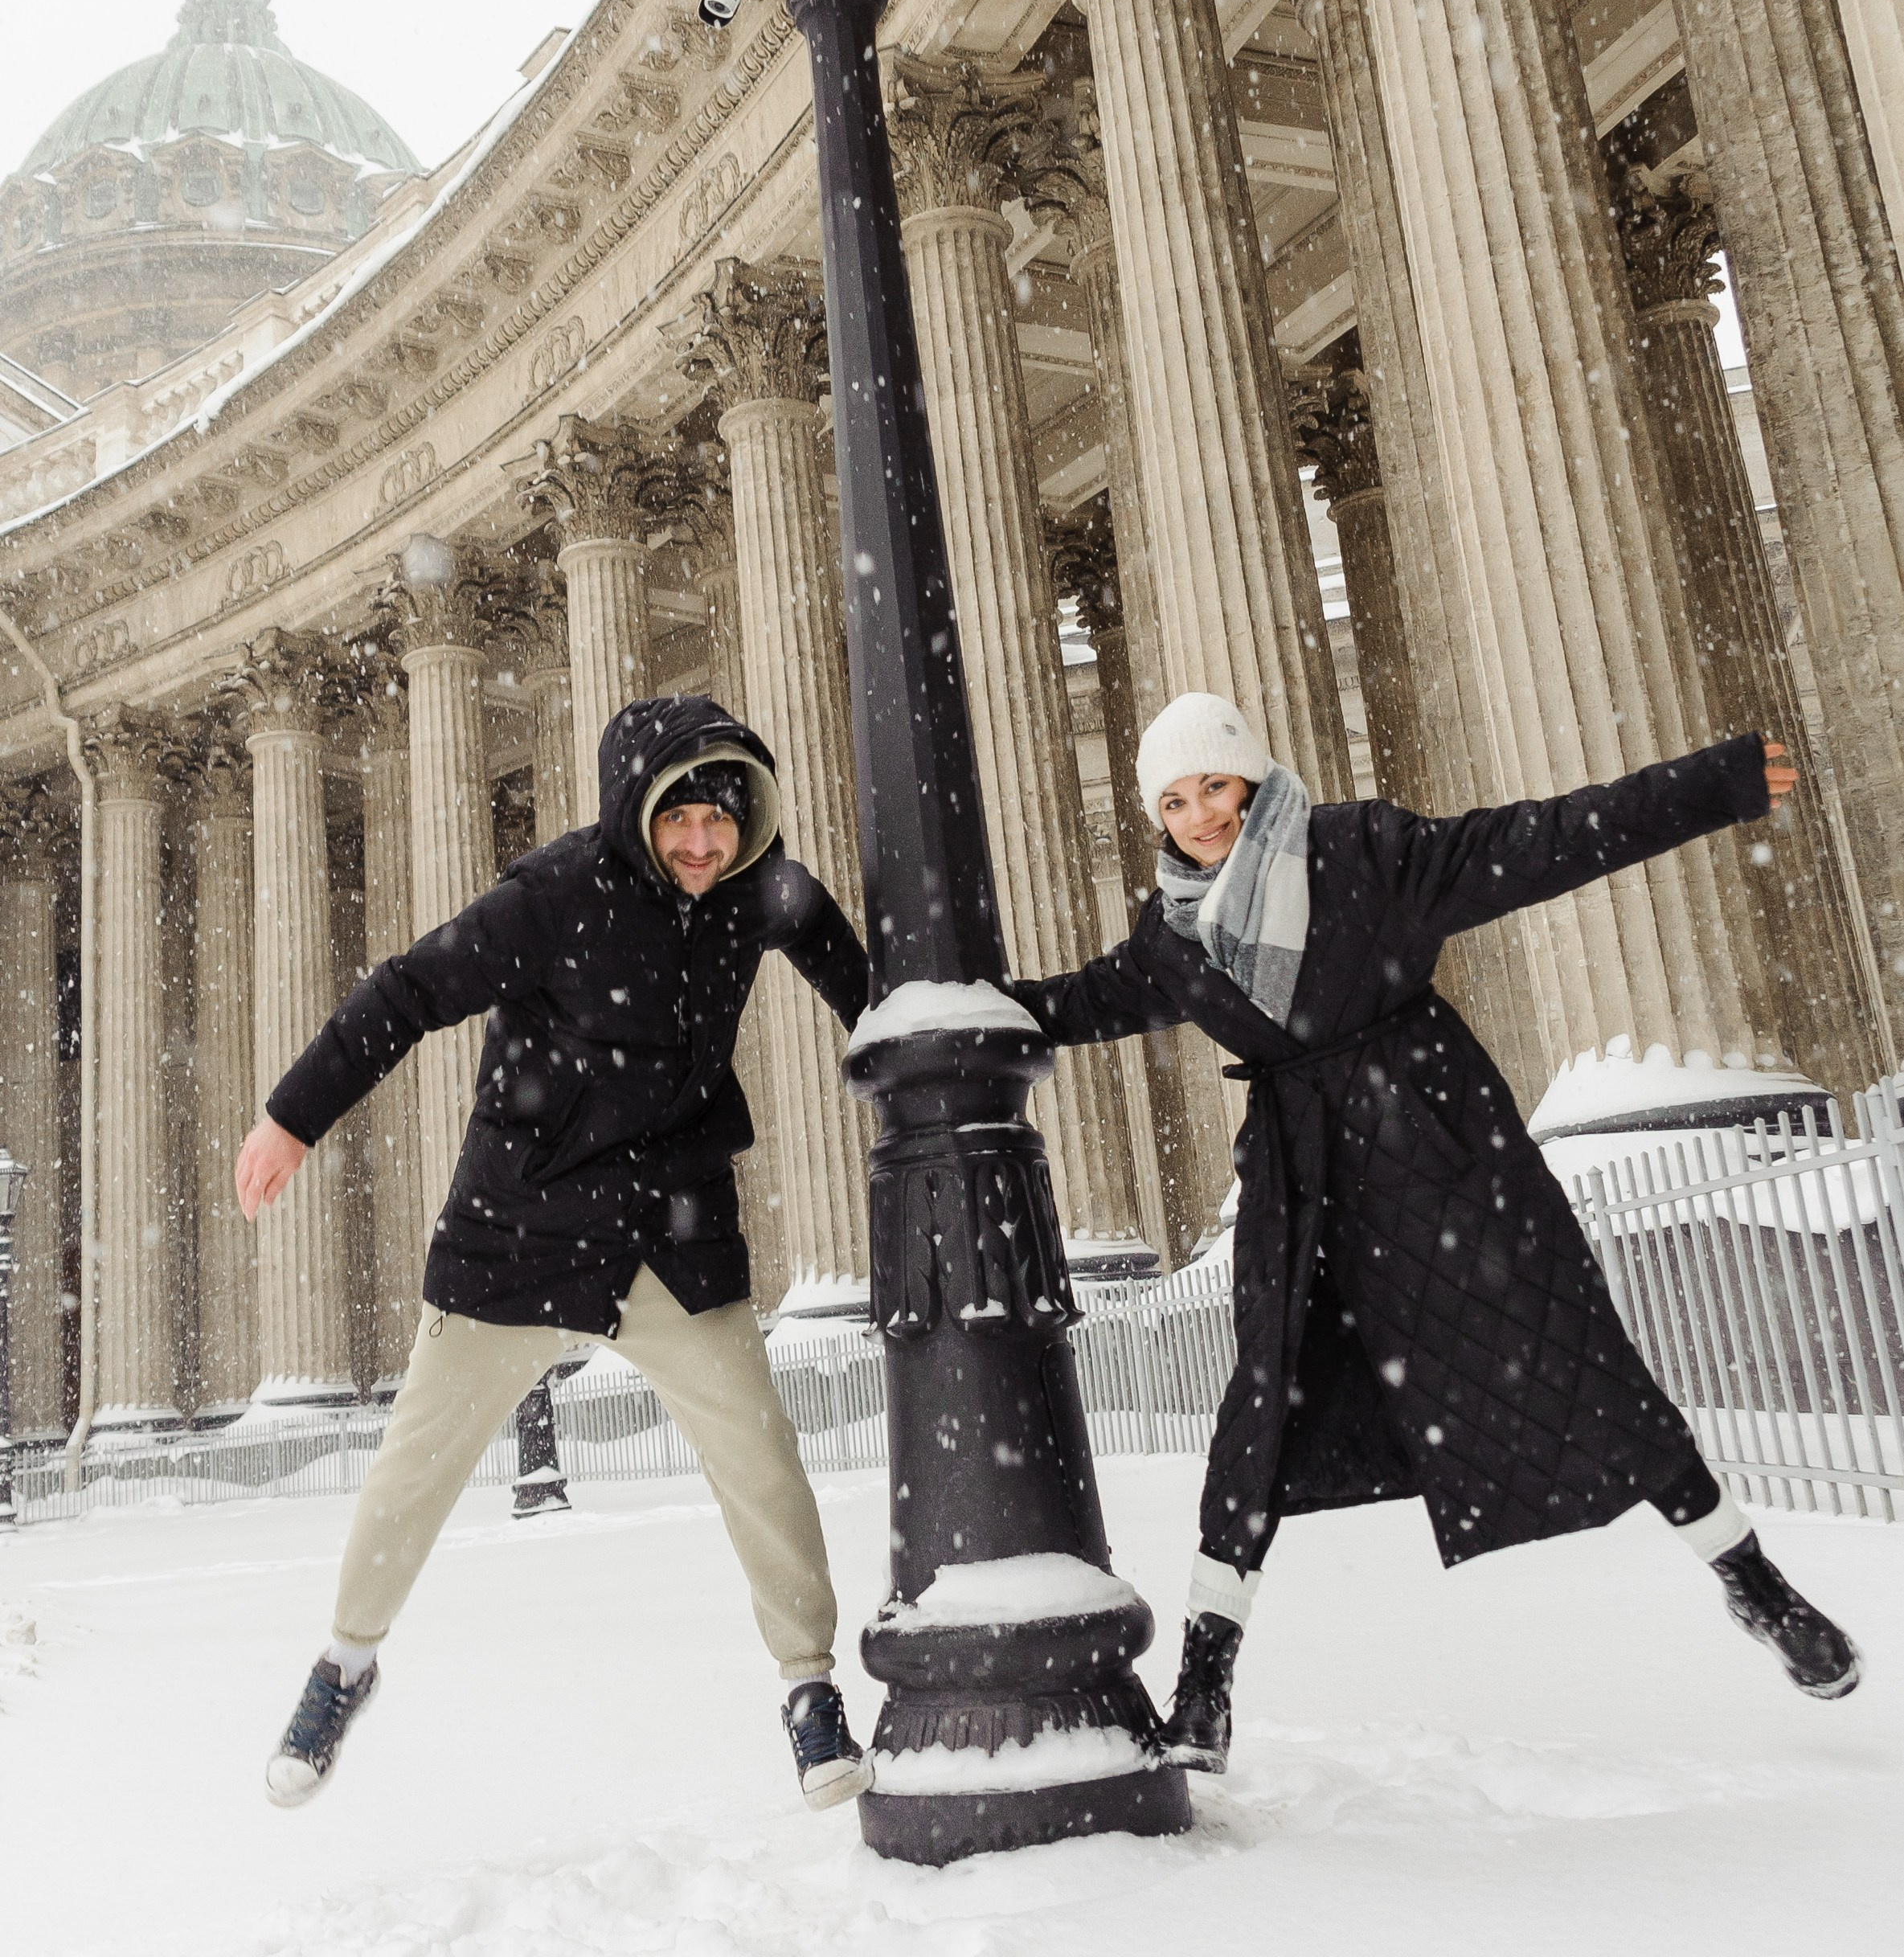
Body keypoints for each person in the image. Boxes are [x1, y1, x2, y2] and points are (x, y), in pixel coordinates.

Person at [1005, 691, 1862, 1774]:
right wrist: (946, 1009)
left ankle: (1760, 1591)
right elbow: (1079, 1002)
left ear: (1253, 781)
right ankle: (1203, 1693)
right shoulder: (1172, 936)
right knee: (1259, 1420)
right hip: (1303, 1191)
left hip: (1438, 1159)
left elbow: (1542, 839)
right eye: (1173, 801)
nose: (1199, 817)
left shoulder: (1362, 851)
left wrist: (1714, 783)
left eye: (1214, 787)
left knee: (1583, 1366)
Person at [235, 693, 873, 1812]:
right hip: (524, 1226)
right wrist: (293, 1115)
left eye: (721, 818)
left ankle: (808, 1686)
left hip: (673, 1229)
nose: (700, 842)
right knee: (413, 1469)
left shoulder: (758, 888)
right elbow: (408, 991)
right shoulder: (557, 894)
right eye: (678, 817)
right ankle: (342, 1666)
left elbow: (847, 969)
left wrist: (903, 1041)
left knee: (758, 1459)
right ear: (635, 811)